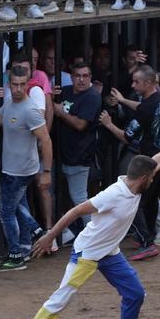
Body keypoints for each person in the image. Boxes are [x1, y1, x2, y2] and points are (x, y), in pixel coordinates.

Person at [10, 143, 160, 319]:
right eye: (152, 177)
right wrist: (50, 236)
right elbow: (76, 210)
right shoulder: (113, 194)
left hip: (110, 252)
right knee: (61, 298)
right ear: (144, 178)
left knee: (135, 293)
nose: (153, 179)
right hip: (87, 254)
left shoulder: (139, 181)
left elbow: (158, 160)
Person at [0, 65, 53, 272]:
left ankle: (15, 255)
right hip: (12, 169)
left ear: (27, 84)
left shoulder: (30, 111)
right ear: (9, 84)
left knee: (6, 211)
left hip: (21, 171)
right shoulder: (8, 104)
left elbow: (46, 140)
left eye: (22, 85)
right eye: (15, 84)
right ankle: (32, 234)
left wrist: (46, 172)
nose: (18, 89)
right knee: (15, 204)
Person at [100, 65, 160, 261]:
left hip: (149, 160)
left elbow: (127, 136)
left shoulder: (146, 109)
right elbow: (143, 107)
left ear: (148, 83)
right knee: (149, 199)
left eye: (136, 82)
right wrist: (124, 100)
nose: (133, 84)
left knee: (133, 200)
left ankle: (147, 242)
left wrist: (108, 125)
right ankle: (147, 237)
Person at [53, 61, 102, 232]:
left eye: (85, 76)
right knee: (55, 195)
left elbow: (81, 124)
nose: (81, 79)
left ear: (90, 77)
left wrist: (60, 112)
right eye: (77, 76)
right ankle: (64, 233)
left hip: (79, 156)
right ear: (71, 77)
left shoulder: (92, 96)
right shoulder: (65, 92)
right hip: (59, 155)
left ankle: (93, 234)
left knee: (79, 199)